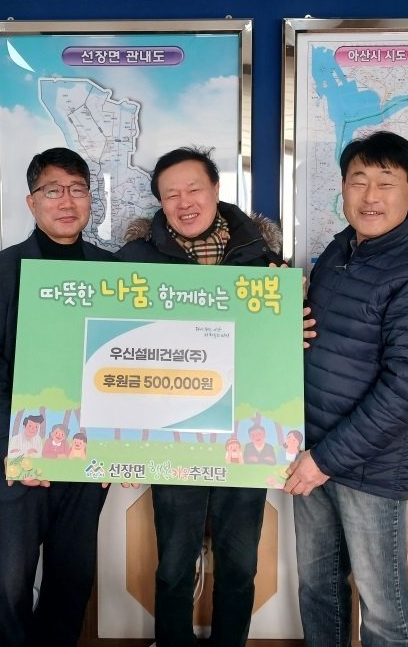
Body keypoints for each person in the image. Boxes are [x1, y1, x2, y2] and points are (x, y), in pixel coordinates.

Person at [284, 130, 408, 647]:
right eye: (358, 181)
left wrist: (325, 459)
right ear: (342, 188)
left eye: (385, 183)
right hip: (311, 452)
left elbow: (406, 391)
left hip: (369, 467)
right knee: (318, 590)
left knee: (383, 609)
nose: (370, 196)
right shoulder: (340, 251)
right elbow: (318, 341)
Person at [117, 146, 284, 647]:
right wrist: (119, 443)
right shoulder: (135, 262)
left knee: (239, 563)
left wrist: (292, 331)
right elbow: (114, 349)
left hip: (245, 434)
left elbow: (281, 352)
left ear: (215, 189)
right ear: (160, 204)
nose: (184, 202)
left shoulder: (264, 260)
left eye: (194, 189)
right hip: (170, 437)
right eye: (171, 195)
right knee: (173, 563)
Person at [0, 147, 116, 647]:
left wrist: (123, 447)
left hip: (86, 453)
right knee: (14, 583)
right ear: (32, 202)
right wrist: (17, 448)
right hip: (20, 455)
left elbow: (124, 364)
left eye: (77, 190)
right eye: (53, 191)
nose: (66, 201)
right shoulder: (2, 270)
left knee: (73, 579)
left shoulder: (111, 270)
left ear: (90, 199)